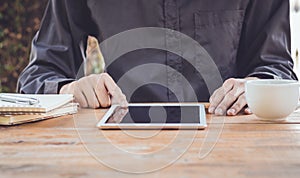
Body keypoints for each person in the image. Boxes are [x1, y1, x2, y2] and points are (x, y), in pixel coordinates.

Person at [18, 0, 297, 116]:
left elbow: (278, 70)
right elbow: (38, 76)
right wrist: (70, 91)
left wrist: (257, 87)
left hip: (238, 155)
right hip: (120, 150)